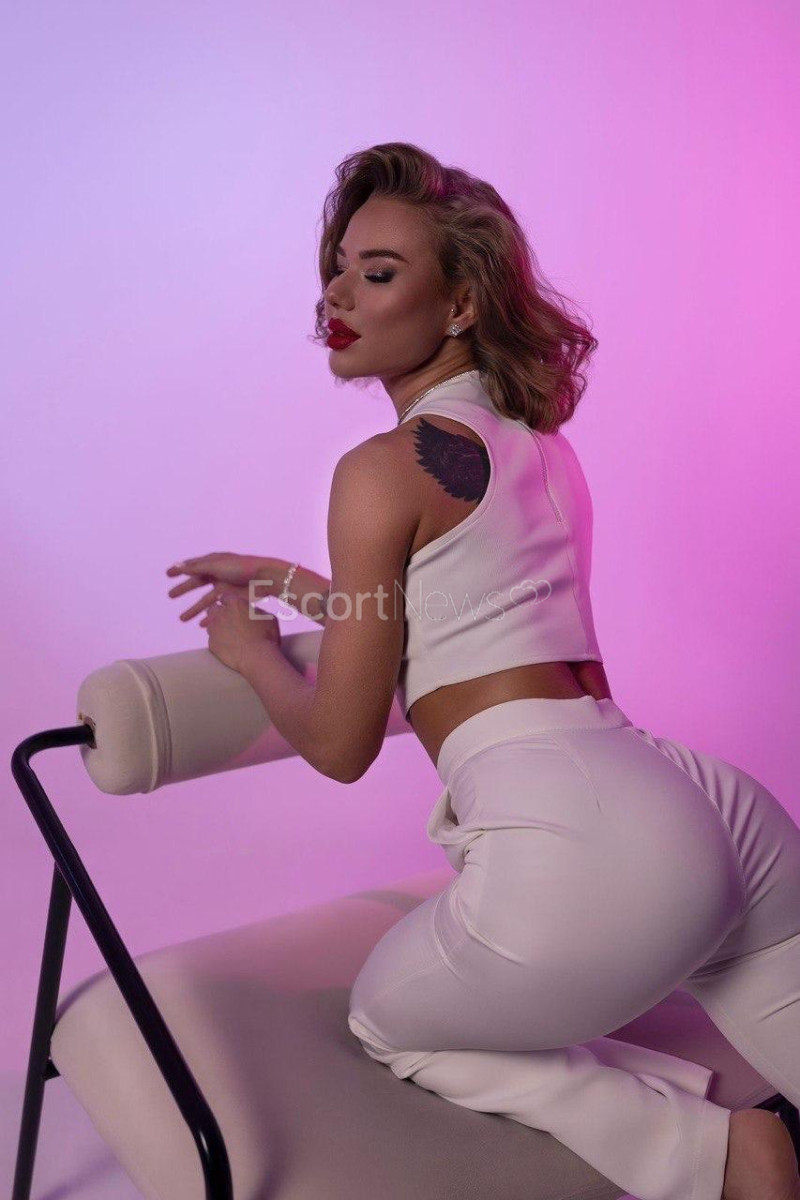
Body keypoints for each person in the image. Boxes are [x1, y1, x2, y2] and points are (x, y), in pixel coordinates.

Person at [166, 143, 800, 1200]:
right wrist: (284, 581)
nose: (337, 295)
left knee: (389, 1021)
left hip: (582, 844)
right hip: (713, 810)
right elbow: (459, 618)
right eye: (337, 267)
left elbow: (341, 742)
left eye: (377, 272)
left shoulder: (378, 472)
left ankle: (723, 1154)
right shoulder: (537, 444)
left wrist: (249, 653)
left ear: (459, 304)